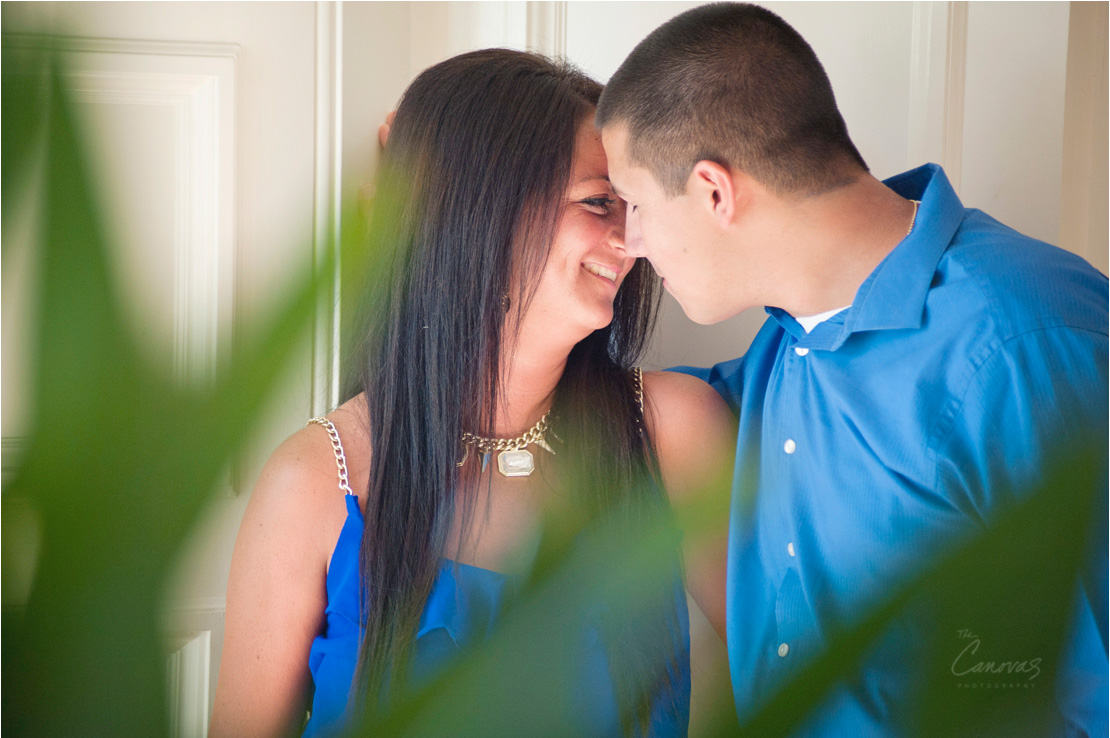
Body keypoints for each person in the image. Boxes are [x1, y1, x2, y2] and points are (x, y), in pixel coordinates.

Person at [595, 3, 1108, 736]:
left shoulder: (1029, 341)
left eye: (637, 203)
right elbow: (625, 417)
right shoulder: (781, 354)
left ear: (715, 191)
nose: (631, 240)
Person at [210, 49, 734, 738]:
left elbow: (792, 668)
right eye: (598, 201)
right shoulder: (314, 481)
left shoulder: (671, 429)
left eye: (630, 207)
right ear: (480, 205)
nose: (631, 240)